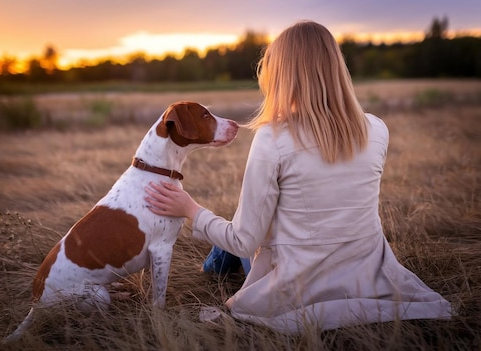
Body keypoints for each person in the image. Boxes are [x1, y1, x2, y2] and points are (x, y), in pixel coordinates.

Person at [145, 20, 453, 333]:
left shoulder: (272, 138)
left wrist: (190, 210)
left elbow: (243, 240)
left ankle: (214, 266)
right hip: (367, 273)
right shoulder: (376, 129)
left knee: (240, 233)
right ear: (336, 67)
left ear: (281, 74)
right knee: (257, 222)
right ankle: (217, 259)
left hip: (297, 284)